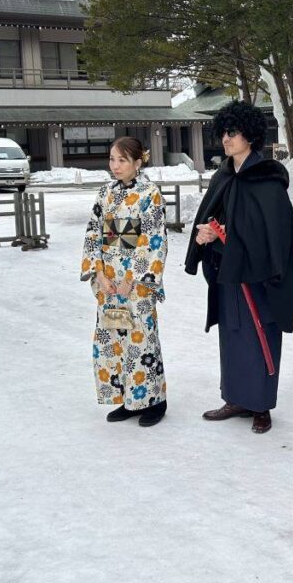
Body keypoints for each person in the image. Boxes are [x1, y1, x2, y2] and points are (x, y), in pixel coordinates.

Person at [185, 100, 293, 434]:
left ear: (250, 135)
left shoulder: (266, 181)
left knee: (259, 334)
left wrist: (221, 238)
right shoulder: (224, 176)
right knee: (233, 335)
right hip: (228, 274)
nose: (226, 138)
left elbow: (270, 238)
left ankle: (261, 404)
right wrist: (208, 233)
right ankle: (236, 397)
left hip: (260, 278)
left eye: (232, 132)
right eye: (223, 132)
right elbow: (219, 216)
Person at [81, 137, 168, 427]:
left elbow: (154, 239)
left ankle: (154, 400)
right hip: (109, 282)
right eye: (112, 159)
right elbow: (94, 233)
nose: (114, 166)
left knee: (141, 340)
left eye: (121, 160)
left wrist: (132, 278)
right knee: (115, 340)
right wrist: (100, 274)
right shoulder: (105, 193)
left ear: (137, 163)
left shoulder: (149, 193)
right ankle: (129, 400)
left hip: (137, 283)